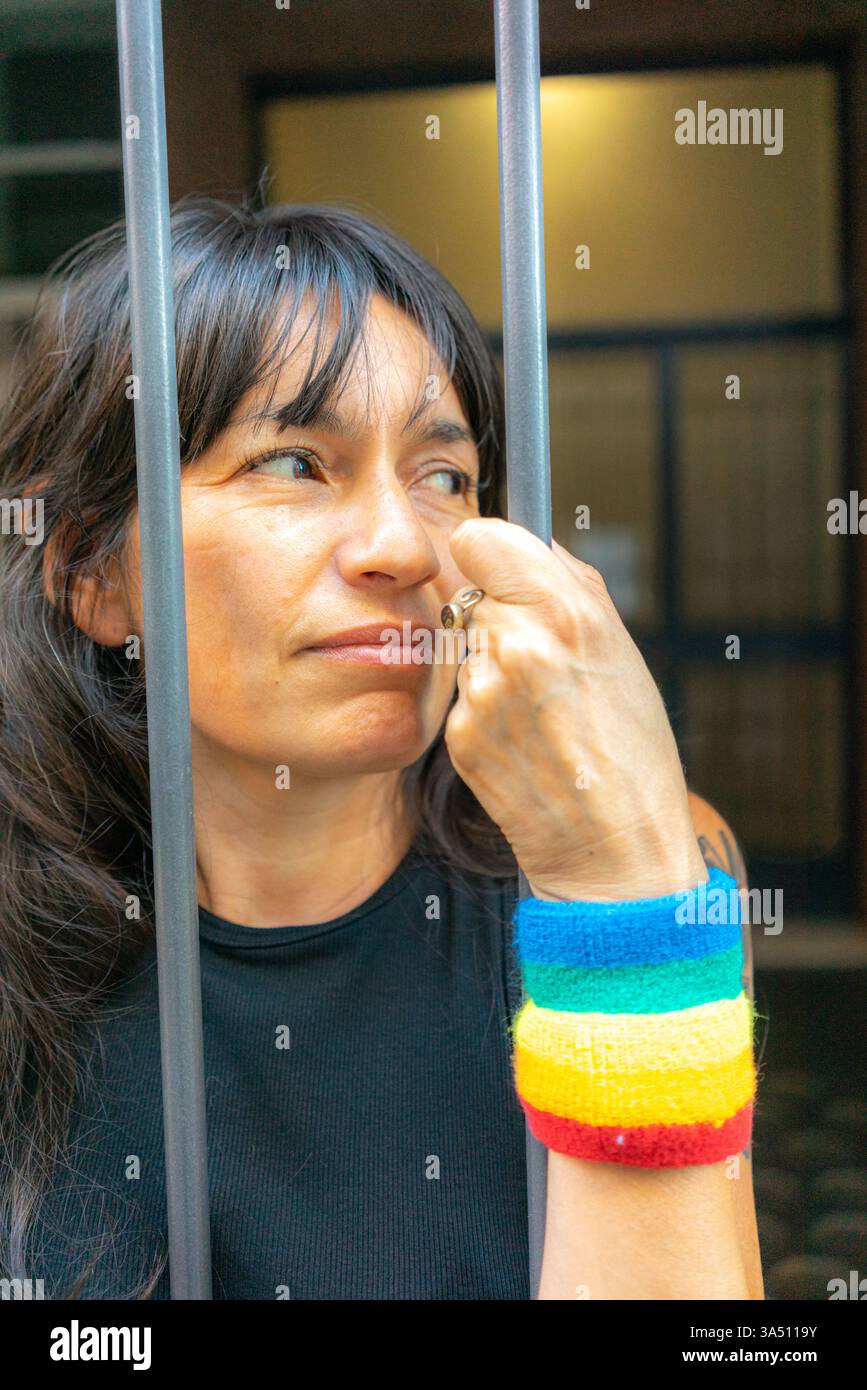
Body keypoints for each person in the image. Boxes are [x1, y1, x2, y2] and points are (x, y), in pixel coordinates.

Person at [0, 197, 762, 1300]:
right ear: (91, 572)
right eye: (295, 464)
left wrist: (619, 883)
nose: (404, 545)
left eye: (445, 477)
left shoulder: (642, 872)